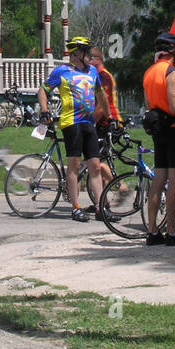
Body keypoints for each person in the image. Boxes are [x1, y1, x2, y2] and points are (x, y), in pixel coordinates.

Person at [38, 36, 109, 222]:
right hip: (71, 122)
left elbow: (100, 94)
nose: (91, 56)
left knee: (95, 166)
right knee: (75, 164)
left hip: (89, 123)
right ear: (77, 53)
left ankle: (101, 208)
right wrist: (44, 111)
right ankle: (76, 207)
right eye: (87, 52)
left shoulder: (93, 71)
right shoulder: (62, 71)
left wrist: (109, 116)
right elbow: (43, 90)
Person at [141, 33, 175, 245]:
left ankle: (152, 231)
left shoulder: (149, 72)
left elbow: (148, 104)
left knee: (158, 179)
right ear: (174, 50)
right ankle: (172, 232)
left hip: (158, 130)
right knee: (174, 182)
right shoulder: (171, 73)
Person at [88, 47, 121, 193]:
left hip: (108, 123)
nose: (87, 61)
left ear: (97, 60)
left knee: (95, 161)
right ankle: (102, 201)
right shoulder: (97, 76)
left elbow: (102, 106)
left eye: (90, 58)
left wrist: (89, 122)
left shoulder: (103, 77)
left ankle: (122, 188)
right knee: (95, 162)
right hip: (101, 124)